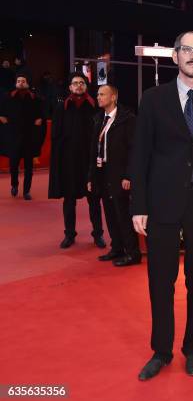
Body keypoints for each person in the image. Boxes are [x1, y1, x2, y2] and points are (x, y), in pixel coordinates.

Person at [130, 31, 193, 381]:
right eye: (187, 49)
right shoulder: (153, 99)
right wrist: (138, 205)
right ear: (174, 56)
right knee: (160, 280)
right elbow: (141, 154)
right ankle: (161, 350)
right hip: (160, 202)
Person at [48, 72, 105, 249]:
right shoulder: (62, 107)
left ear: (86, 86)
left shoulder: (95, 106)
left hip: (90, 161)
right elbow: (55, 136)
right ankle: (69, 234)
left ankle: (98, 235)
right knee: (69, 200)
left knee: (94, 199)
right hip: (68, 162)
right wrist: (57, 162)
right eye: (75, 83)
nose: (78, 86)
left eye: (81, 83)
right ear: (70, 87)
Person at [87, 85, 141, 266]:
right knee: (109, 212)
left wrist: (129, 175)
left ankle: (133, 253)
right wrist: (91, 178)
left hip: (120, 174)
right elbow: (94, 152)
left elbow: (135, 150)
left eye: (102, 94)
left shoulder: (127, 119)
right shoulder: (98, 120)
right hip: (103, 173)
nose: (98, 97)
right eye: (98, 94)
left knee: (123, 213)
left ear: (114, 97)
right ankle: (117, 248)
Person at [0, 73, 43, 200]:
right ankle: (14, 185)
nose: (21, 83)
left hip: (29, 137)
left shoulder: (35, 98)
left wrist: (37, 123)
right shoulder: (8, 97)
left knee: (29, 166)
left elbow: (40, 117)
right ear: (15, 83)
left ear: (27, 83)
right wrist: (8, 127)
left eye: (23, 81)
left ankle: (26, 191)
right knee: (13, 165)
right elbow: (1, 115)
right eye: (18, 81)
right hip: (14, 137)